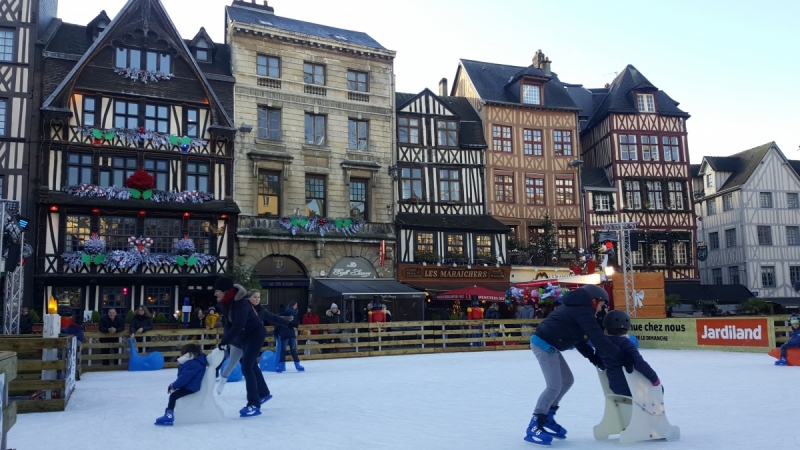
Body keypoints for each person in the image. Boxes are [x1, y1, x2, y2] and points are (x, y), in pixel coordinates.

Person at [525, 284, 632, 446]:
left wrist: (595, 360)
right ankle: (535, 423)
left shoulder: (579, 309)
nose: (601, 309)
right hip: (543, 344)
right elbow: (598, 339)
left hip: (551, 345)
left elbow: (580, 341)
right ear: (594, 301)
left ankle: (548, 415)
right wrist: (621, 356)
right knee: (553, 386)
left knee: (567, 380)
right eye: (602, 305)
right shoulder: (583, 311)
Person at [215, 277, 271, 417]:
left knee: (246, 367)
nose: (215, 294)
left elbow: (239, 325)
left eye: (217, 291)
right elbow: (229, 324)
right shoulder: (228, 303)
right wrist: (225, 340)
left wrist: (225, 341)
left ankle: (253, 404)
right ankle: (263, 393)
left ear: (225, 291)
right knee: (251, 366)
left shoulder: (240, 303)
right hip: (245, 337)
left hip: (255, 335)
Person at [599, 310, 659, 396]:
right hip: (630, 387)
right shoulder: (626, 344)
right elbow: (640, 364)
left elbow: (601, 364)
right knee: (659, 388)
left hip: (614, 387)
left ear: (606, 327)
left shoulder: (602, 345)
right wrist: (654, 378)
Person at [154, 343, 208, 426]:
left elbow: (184, 378)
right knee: (174, 394)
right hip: (190, 385)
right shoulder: (195, 361)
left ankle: (169, 416)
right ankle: (168, 413)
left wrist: (173, 385)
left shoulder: (192, 363)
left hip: (191, 387)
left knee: (173, 396)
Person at [274, 301, 304, 372]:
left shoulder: (280, 318)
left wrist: (275, 334)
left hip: (284, 335)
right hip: (292, 334)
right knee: (293, 350)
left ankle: (281, 366)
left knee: (283, 351)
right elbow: (296, 324)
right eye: (295, 305)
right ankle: (298, 365)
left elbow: (277, 327)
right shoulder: (291, 317)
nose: (296, 307)